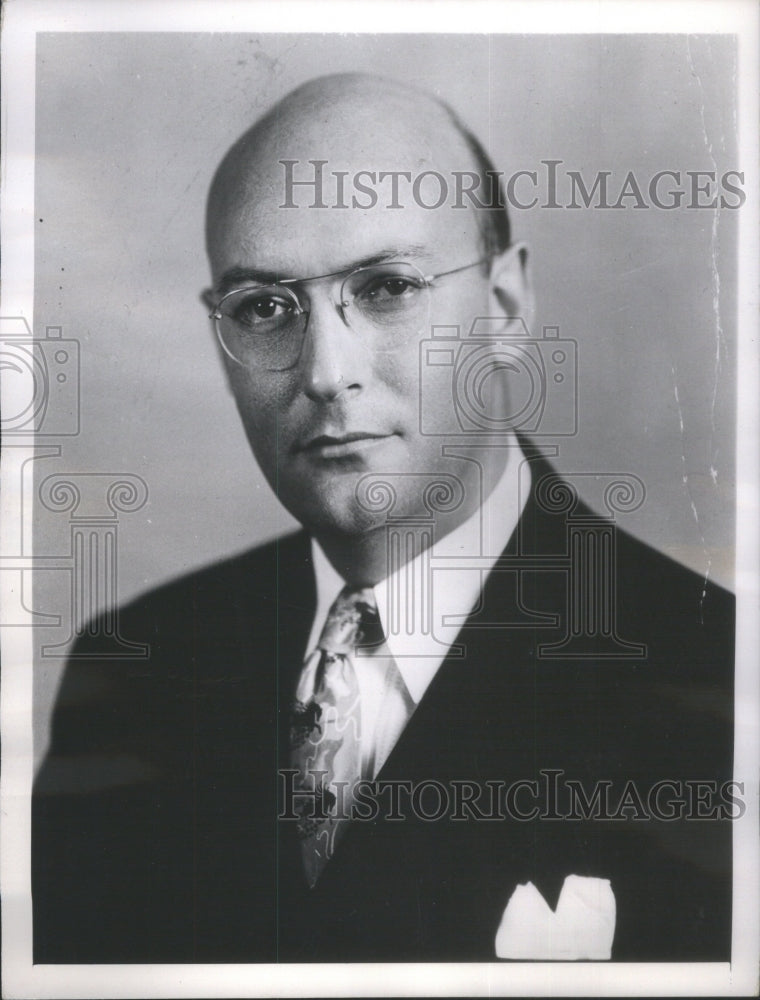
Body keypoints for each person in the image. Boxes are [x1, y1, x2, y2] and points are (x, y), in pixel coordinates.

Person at [33, 73, 734, 964]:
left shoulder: (714, 679)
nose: (326, 370)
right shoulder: (132, 672)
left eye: (389, 287)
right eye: (262, 308)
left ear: (506, 307)